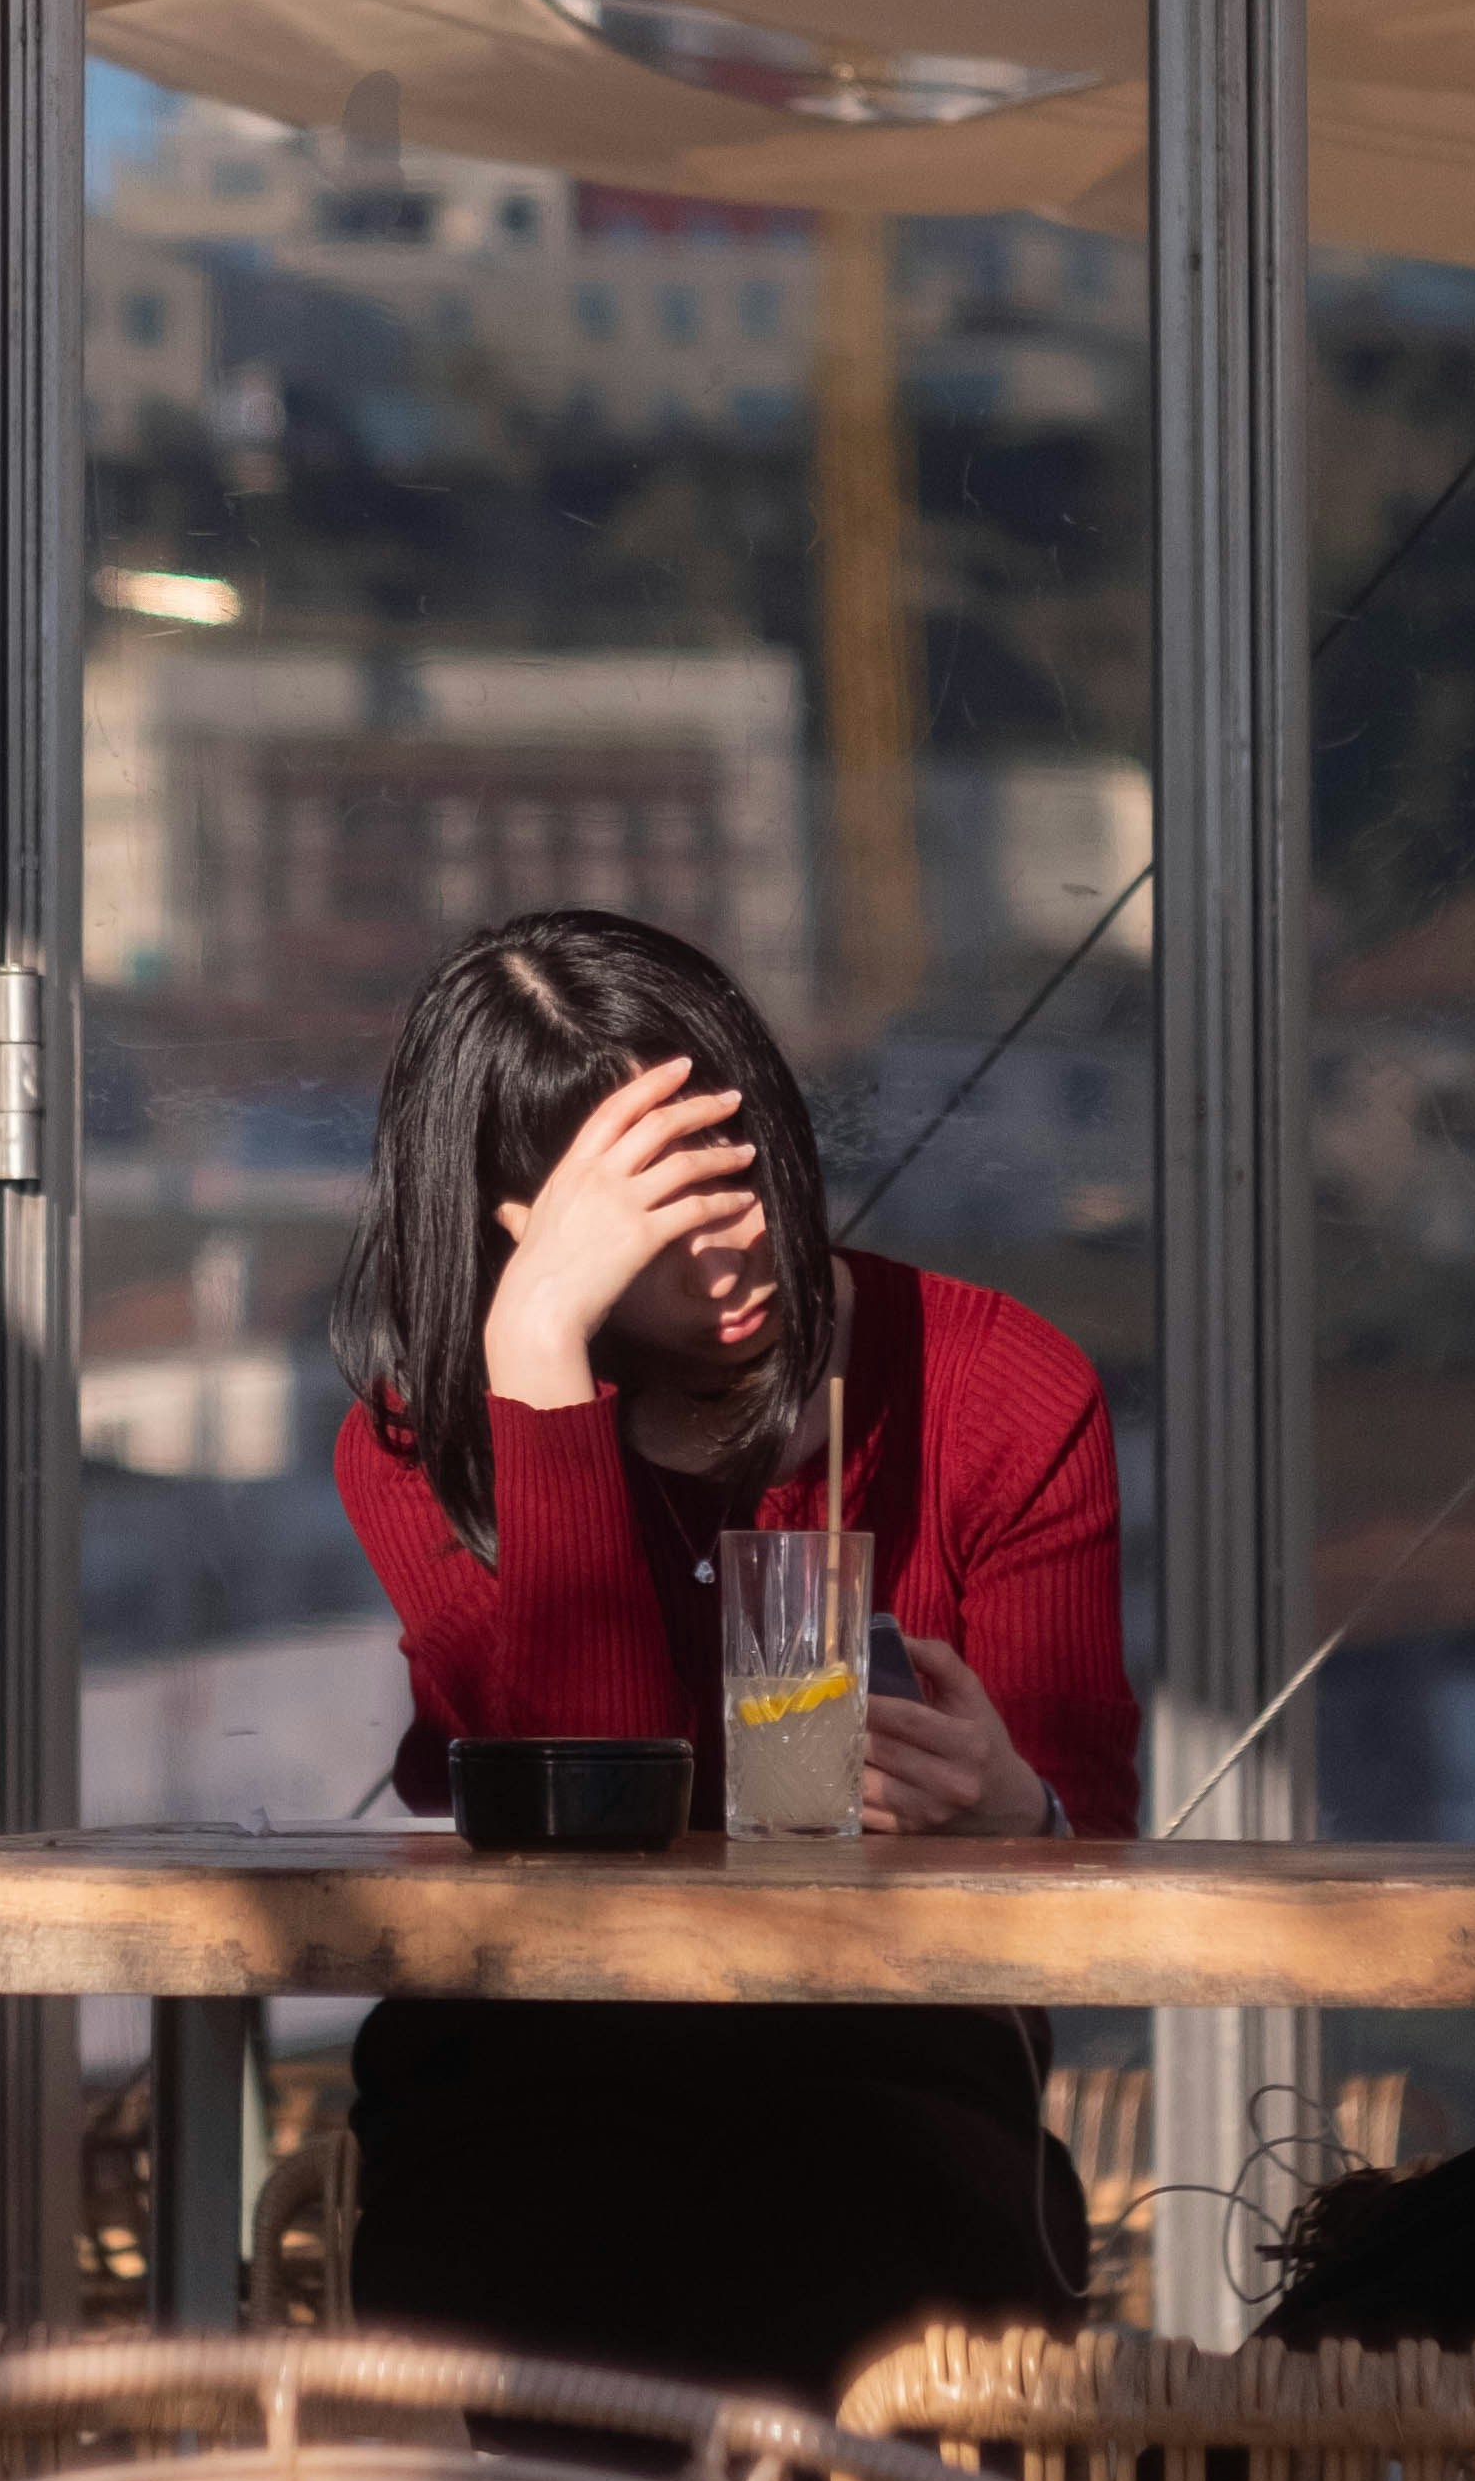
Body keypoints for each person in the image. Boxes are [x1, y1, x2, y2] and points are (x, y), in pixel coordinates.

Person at [329, 908, 1138, 2402]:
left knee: (863, 2218)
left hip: (893, 2073)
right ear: (521, 1234)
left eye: (750, 1173)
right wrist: (538, 1370)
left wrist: (1016, 1811)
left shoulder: (998, 1390)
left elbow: (1096, 1843)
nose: (746, 1244)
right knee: (532, 2229)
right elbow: (589, 1834)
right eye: (663, 1220)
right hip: (535, 2085)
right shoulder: (423, 1446)